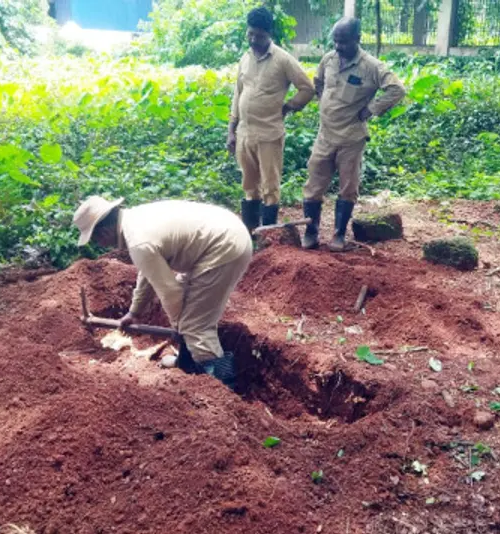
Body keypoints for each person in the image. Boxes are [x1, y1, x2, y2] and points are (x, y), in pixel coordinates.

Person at [72, 196, 253, 389]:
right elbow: (148, 272)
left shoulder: (139, 242)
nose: (100, 245)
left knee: (194, 326)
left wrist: (180, 327)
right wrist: (134, 312)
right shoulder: (135, 221)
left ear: (105, 231)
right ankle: (187, 364)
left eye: (97, 239)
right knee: (187, 318)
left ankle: (223, 387)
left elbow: (170, 293)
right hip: (225, 236)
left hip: (224, 247)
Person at [301, 17, 406, 251]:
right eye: (335, 41)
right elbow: (318, 83)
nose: (338, 46)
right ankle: (311, 232)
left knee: (348, 187)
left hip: (351, 138)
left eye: (344, 42)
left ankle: (338, 235)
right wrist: (325, 104)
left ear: (358, 39)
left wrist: (371, 109)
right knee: (313, 184)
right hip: (325, 135)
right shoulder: (328, 59)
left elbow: (397, 89)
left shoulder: (372, 67)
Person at [228, 6, 315, 232]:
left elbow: (307, 88)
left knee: (270, 186)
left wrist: (289, 107)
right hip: (244, 133)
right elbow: (238, 93)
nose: (254, 40)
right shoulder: (245, 58)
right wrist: (231, 129)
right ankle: (250, 233)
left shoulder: (283, 60)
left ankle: (268, 236)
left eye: (260, 35)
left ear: (270, 35)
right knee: (248, 184)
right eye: (251, 34)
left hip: (269, 134)